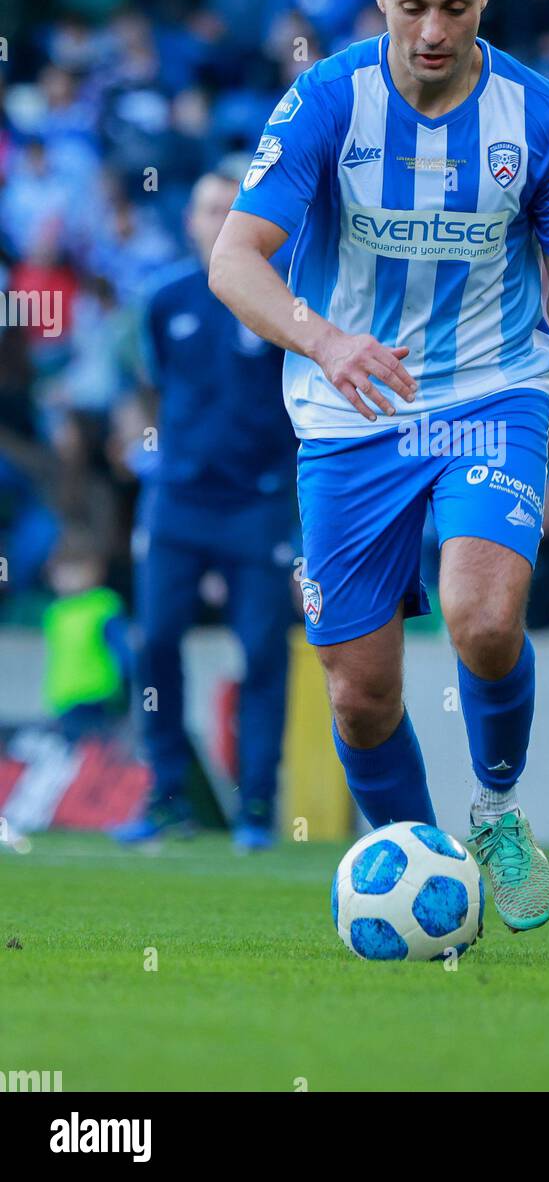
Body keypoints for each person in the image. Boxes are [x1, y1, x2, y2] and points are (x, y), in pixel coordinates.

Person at [208, 0, 549, 932]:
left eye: (455, 6)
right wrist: (327, 340)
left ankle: (498, 807)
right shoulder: (327, 100)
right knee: (359, 695)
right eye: (410, 4)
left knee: (481, 615)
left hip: (488, 393)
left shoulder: (538, 117)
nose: (430, 30)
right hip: (346, 411)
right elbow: (232, 260)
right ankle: (424, 873)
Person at [113, 171, 297, 851]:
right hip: (178, 503)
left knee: (259, 654)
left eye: (232, 208)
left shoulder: (280, 299)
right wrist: (142, 446)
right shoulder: (165, 299)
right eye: (208, 207)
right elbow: (142, 382)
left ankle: (256, 804)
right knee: (155, 641)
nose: (219, 219)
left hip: (257, 504)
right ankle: (166, 796)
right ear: (189, 220)